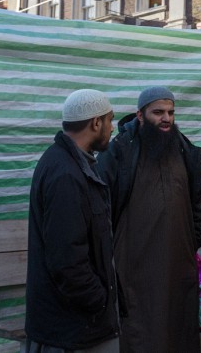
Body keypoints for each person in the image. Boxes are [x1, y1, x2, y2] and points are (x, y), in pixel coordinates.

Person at [96, 87, 201, 353]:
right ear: (140, 115)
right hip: (134, 263)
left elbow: (195, 198)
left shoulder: (183, 147)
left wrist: (194, 237)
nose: (166, 118)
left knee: (179, 327)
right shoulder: (119, 150)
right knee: (140, 331)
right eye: (158, 112)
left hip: (179, 261)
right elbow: (100, 203)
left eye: (170, 112)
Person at [26, 89, 119, 352]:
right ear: (96, 122)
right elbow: (66, 260)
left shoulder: (74, 164)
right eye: (110, 120)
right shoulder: (65, 174)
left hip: (79, 325)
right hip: (73, 330)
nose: (112, 128)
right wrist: (99, 301)